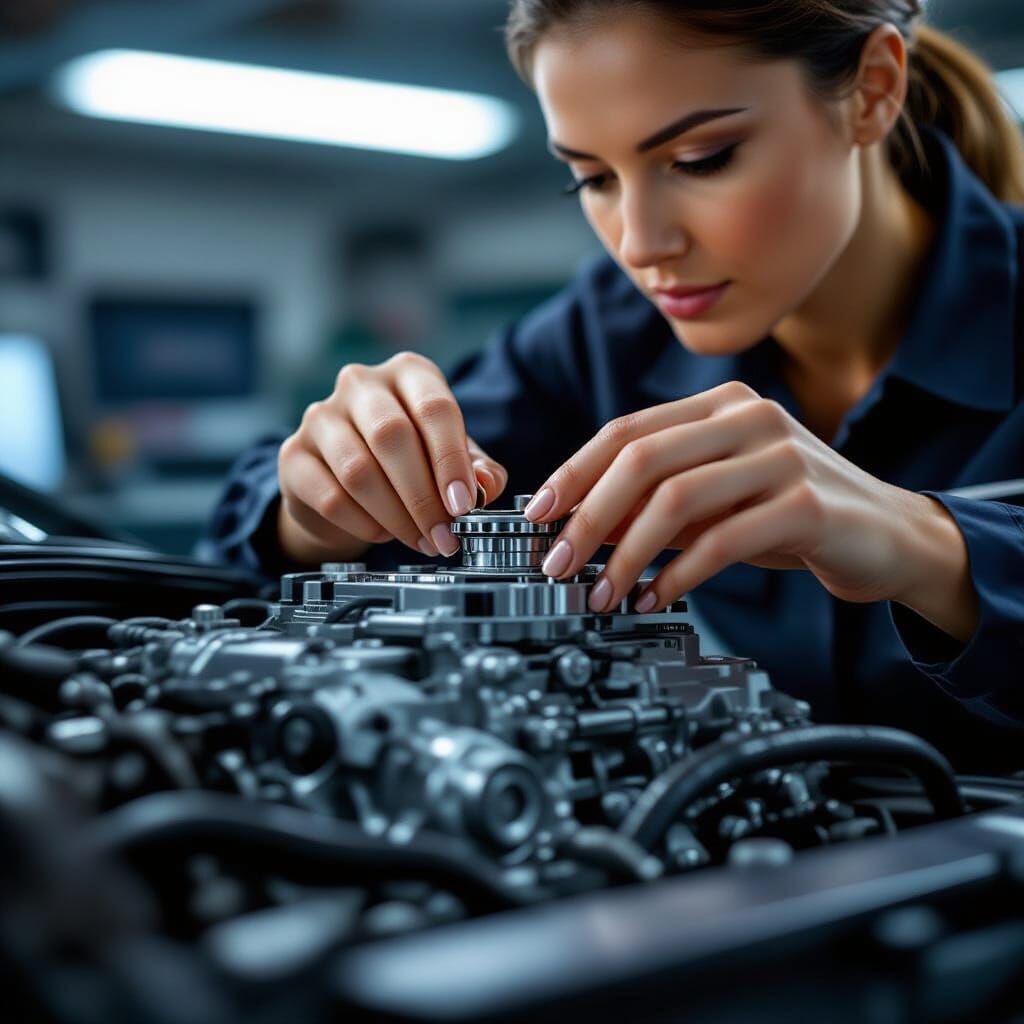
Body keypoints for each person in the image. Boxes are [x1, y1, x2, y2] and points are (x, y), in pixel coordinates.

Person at [202, 0, 1024, 768]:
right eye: (591, 178)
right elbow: (268, 542)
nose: (639, 243)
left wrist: (932, 550)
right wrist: (318, 507)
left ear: (873, 92)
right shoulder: (603, 332)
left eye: (703, 159)